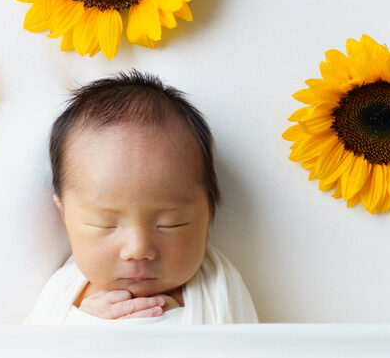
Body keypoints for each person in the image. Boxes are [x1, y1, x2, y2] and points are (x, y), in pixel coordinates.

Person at [23, 70, 259, 325]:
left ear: (208, 216)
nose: (138, 249)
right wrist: (84, 322)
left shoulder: (218, 285)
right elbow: (32, 355)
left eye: (171, 223)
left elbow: (251, 357)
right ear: (64, 216)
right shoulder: (63, 294)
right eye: (104, 224)